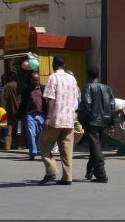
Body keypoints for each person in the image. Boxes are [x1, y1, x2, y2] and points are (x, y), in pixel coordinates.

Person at [37, 55, 79, 185]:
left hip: (56, 118)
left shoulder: (53, 78)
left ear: (53, 65)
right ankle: (67, 177)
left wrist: (48, 116)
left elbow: (51, 99)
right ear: (64, 64)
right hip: (69, 119)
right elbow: (76, 98)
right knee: (67, 149)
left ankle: (51, 170)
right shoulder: (72, 79)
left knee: (43, 144)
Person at [77, 67, 115, 183]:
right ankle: (90, 170)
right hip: (104, 121)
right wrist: (111, 123)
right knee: (95, 146)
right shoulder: (107, 88)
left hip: (92, 121)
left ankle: (101, 174)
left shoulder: (88, 87)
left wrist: (81, 118)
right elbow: (112, 106)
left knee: (96, 147)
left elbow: (87, 105)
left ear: (88, 75)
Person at [18, 72, 46, 160]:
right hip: (30, 115)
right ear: (31, 80)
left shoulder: (43, 89)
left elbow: (47, 102)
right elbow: (23, 104)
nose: (36, 82)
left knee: (41, 134)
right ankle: (33, 152)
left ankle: (41, 150)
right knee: (31, 133)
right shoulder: (26, 91)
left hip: (41, 115)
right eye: (34, 80)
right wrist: (19, 114)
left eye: (37, 80)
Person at [0, 72, 22, 150]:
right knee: (19, 129)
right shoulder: (20, 85)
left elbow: (5, 98)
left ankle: (7, 147)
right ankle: (20, 145)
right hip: (19, 110)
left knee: (9, 130)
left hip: (10, 110)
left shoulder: (7, 86)